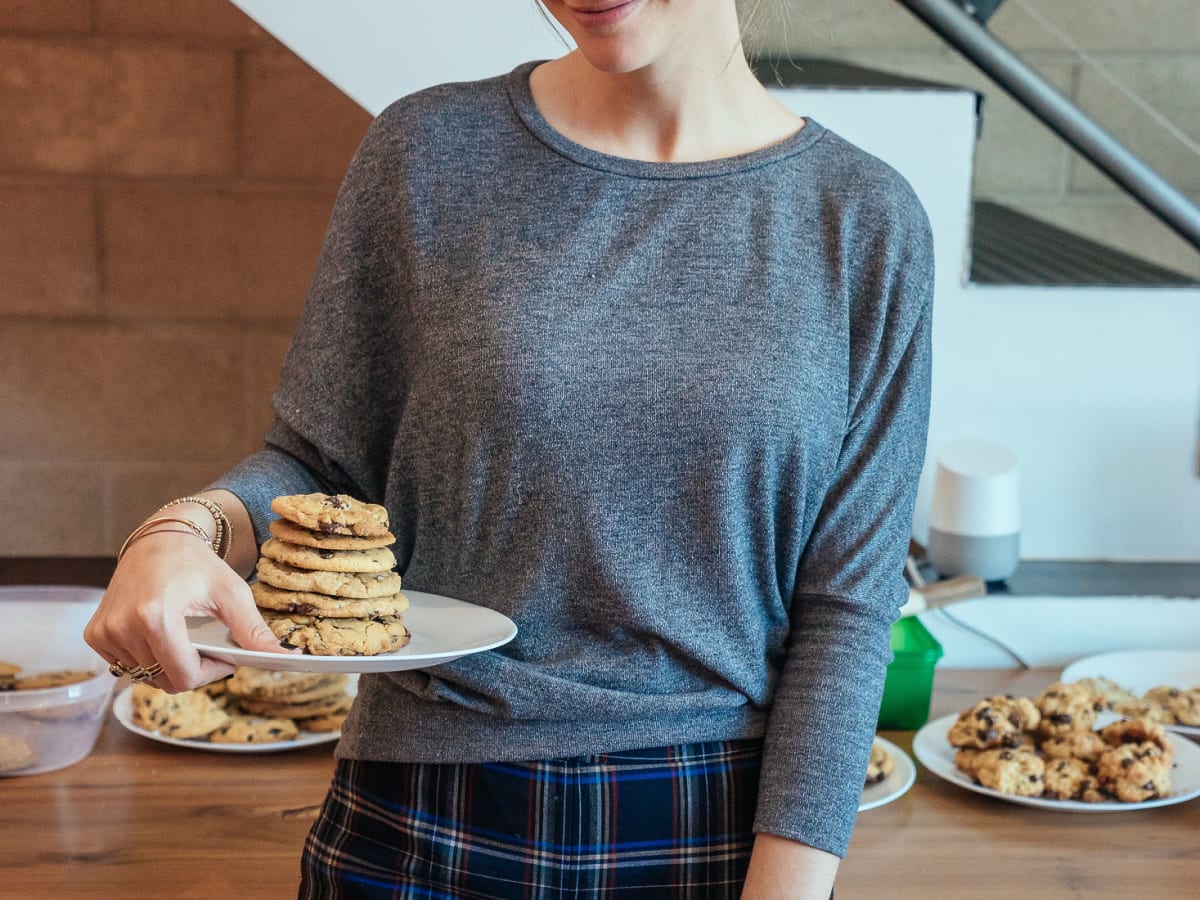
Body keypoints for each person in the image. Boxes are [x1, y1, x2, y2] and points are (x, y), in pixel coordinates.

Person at [85, 0, 935, 896]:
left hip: (715, 824)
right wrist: (182, 531)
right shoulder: (428, 151)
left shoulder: (864, 220)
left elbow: (847, 607)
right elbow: (322, 471)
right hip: (422, 809)